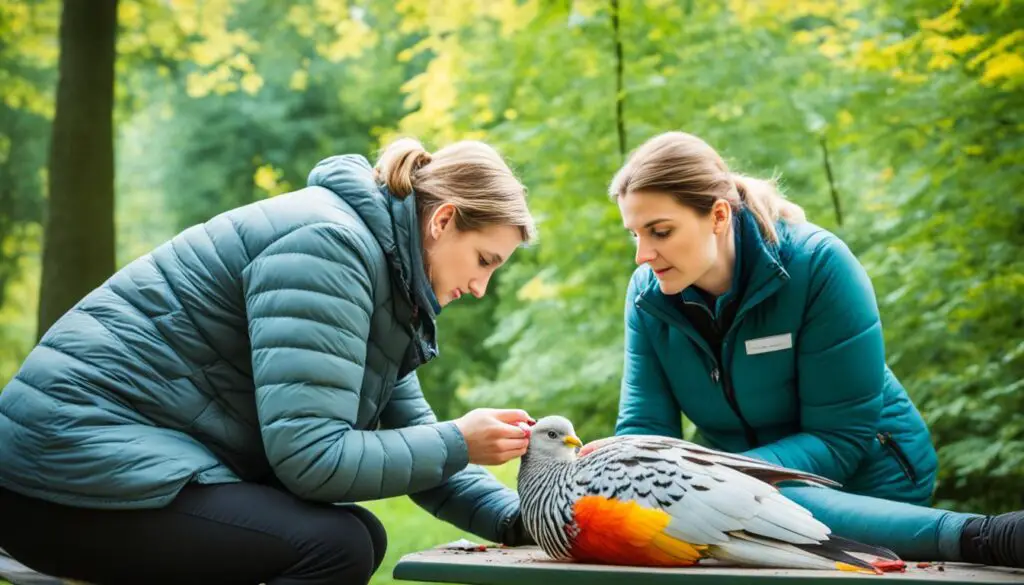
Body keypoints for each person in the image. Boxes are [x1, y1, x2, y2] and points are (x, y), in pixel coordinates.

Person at [0, 138, 539, 585]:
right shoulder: (329, 249)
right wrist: (459, 440)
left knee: (356, 537)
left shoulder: (386, 282)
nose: (480, 286)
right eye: (483, 261)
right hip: (56, 481)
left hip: (107, 471)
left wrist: (525, 520)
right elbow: (312, 458)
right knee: (338, 545)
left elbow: (415, 442)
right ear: (442, 220)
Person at [603, 130, 1023, 567]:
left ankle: (987, 536)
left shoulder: (819, 264)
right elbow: (644, 429)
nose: (643, 254)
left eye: (660, 231)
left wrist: (712, 477)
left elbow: (839, 437)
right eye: (634, 234)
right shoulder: (646, 296)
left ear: (719, 216)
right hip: (729, 490)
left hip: (865, 484)